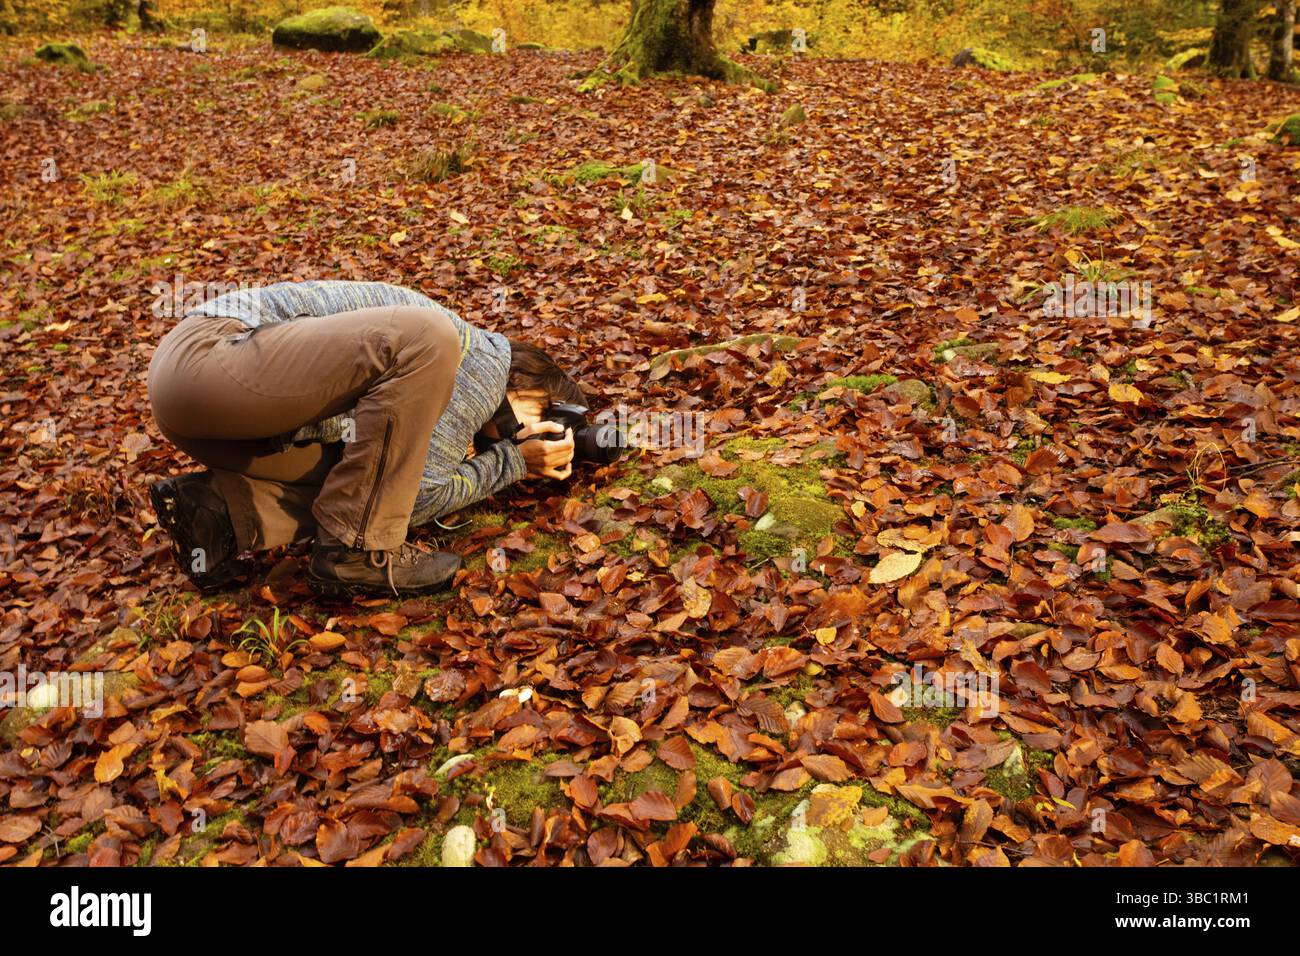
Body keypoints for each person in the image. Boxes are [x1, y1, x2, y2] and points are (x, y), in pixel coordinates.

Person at [146, 279, 580, 597]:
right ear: (526, 384)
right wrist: (513, 461)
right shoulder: (484, 362)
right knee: (431, 338)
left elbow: (388, 489)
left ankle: (220, 512)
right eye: (544, 416)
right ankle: (353, 554)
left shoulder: (458, 381)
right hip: (210, 356)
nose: (536, 431)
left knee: (363, 474)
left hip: (205, 408)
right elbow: (417, 500)